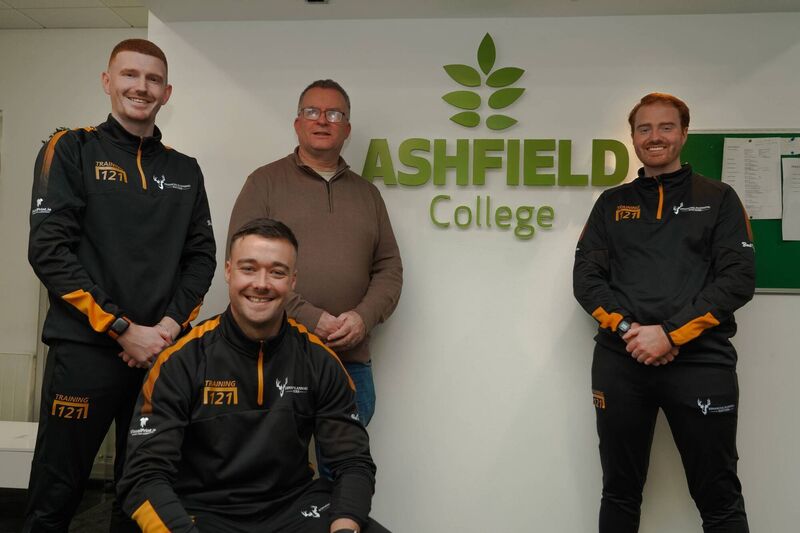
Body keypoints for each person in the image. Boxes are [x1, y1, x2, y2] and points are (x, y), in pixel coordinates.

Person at [25, 39, 216, 532]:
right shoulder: (69, 149)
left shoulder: (185, 170)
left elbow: (202, 258)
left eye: (153, 79)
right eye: (130, 75)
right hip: (84, 353)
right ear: (108, 82)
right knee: (56, 491)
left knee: (142, 492)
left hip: (158, 358)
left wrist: (166, 329)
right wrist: (121, 328)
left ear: (167, 92)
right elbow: (49, 251)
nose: (141, 87)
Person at [118, 218, 389, 533]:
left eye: (277, 272)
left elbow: (352, 463)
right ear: (229, 271)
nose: (262, 283)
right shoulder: (181, 361)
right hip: (202, 512)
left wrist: (345, 528)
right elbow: (143, 476)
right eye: (249, 268)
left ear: (293, 281)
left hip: (292, 507)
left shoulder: (320, 360)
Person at [573, 93, 755, 533]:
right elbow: (586, 280)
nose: (655, 137)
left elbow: (737, 280)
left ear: (684, 133)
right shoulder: (610, 204)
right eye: (644, 129)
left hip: (701, 362)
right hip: (622, 362)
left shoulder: (720, 199)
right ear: (633, 137)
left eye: (666, 127)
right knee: (619, 491)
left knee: (719, 496)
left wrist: (670, 335)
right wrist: (632, 331)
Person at [227, 79, 403, 427]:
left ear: (347, 129)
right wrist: (310, 318)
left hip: (349, 359)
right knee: (268, 465)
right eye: (312, 112)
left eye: (334, 114)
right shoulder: (263, 182)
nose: (322, 120)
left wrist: (362, 318)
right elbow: (242, 268)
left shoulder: (367, 194)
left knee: (345, 468)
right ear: (298, 123)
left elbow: (389, 268)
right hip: (273, 354)